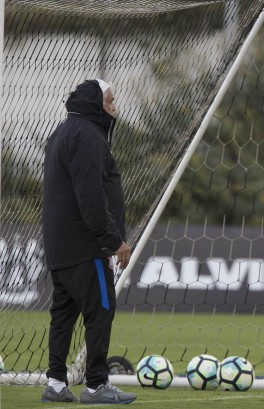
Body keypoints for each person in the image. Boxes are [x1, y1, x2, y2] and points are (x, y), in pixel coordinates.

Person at [41, 79, 136, 404]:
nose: (114, 107)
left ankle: (55, 383)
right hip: (86, 247)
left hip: (60, 247)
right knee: (102, 310)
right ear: (96, 104)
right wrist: (113, 240)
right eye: (110, 101)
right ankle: (96, 384)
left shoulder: (62, 133)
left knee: (63, 315)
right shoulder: (87, 136)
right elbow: (91, 197)